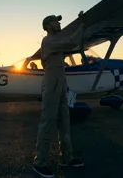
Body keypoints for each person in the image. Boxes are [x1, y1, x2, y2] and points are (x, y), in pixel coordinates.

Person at [33, 11, 85, 178]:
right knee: (48, 121)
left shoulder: (55, 40)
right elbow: (71, 41)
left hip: (61, 82)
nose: (59, 24)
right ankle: (39, 162)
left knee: (64, 119)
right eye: (56, 22)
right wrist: (82, 24)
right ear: (48, 26)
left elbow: (68, 41)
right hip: (52, 83)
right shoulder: (49, 40)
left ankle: (67, 157)